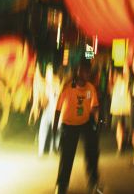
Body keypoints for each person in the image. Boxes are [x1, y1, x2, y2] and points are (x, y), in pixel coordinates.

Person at [54, 63, 102, 194]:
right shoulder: (68, 87)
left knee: (92, 152)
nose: (86, 74)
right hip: (69, 125)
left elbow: (95, 106)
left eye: (88, 72)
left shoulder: (90, 88)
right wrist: (55, 128)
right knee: (67, 156)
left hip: (85, 123)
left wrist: (97, 120)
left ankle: (94, 182)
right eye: (84, 71)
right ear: (78, 72)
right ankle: (61, 185)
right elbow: (58, 109)